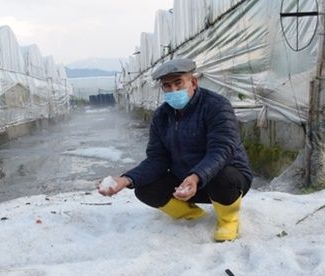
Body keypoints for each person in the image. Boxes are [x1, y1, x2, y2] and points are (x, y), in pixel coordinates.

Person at [98, 58, 253, 242]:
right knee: (144, 188)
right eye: (167, 86)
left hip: (223, 181)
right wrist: (126, 179)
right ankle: (192, 215)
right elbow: (157, 158)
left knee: (224, 177)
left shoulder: (216, 106)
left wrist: (196, 176)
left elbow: (221, 150)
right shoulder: (161, 116)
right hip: (184, 184)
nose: (173, 90)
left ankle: (228, 221)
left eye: (178, 83)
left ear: (193, 82)